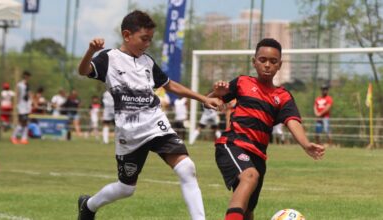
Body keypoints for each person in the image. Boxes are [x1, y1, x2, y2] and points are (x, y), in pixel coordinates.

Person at [77, 10, 221, 220]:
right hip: (130, 134)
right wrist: (90, 51)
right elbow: (83, 71)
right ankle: (89, 205)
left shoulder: (147, 62)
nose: (147, 44)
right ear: (127, 35)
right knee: (126, 188)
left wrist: (203, 98)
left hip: (156, 125)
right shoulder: (109, 58)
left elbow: (169, 84)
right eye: (144, 38)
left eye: (150, 40)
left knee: (187, 168)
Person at [209, 38, 326, 220]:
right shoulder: (242, 83)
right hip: (233, 144)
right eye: (262, 60)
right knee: (249, 176)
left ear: (280, 65)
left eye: (273, 61)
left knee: (248, 210)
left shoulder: (283, 96)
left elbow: (292, 121)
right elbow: (210, 103)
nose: (267, 65)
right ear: (254, 61)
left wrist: (305, 144)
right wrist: (216, 93)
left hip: (259, 156)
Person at [11, 71, 32, 145]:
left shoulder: (28, 85)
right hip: (21, 106)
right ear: (24, 76)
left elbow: (29, 95)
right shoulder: (19, 85)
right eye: (27, 76)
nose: (28, 78)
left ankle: (24, 138)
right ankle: (13, 137)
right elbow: (17, 95)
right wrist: (15, 105)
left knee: (26, 123)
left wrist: (30, 105)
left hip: (26, 106)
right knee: (21, 122)